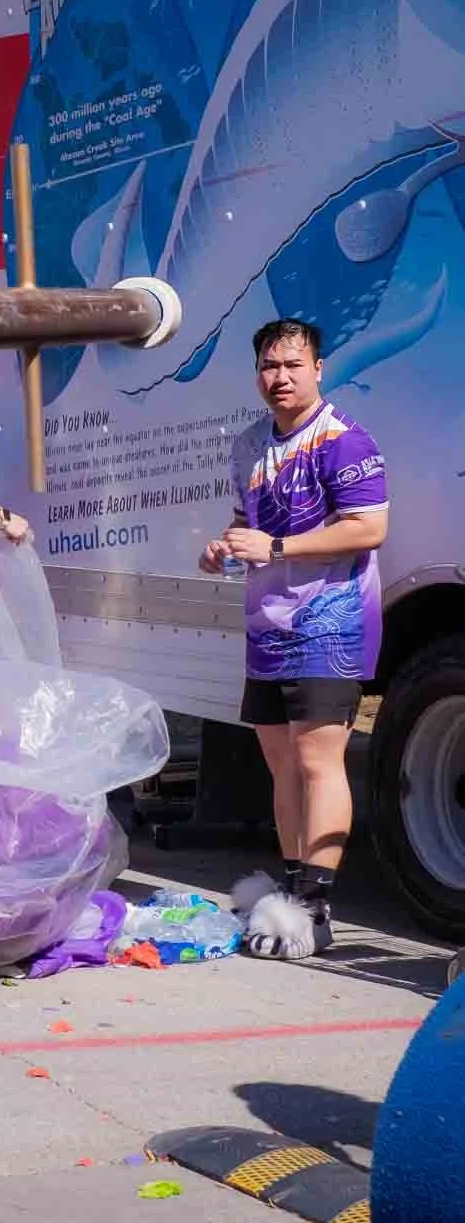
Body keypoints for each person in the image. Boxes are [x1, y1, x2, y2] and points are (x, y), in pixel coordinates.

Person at [200, 318, 388, 959]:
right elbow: (241, 526)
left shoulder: (343, 439)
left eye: (292, 365)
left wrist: (277, 545)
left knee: (317, 763)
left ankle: (316, 903)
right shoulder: (250, 443)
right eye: (269, 367)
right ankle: (286, 890)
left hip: (330, 624)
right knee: (279, 764)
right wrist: (224, 552)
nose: (279, 377)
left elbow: (368, 528)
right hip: (267, 628)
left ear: (318, 369)